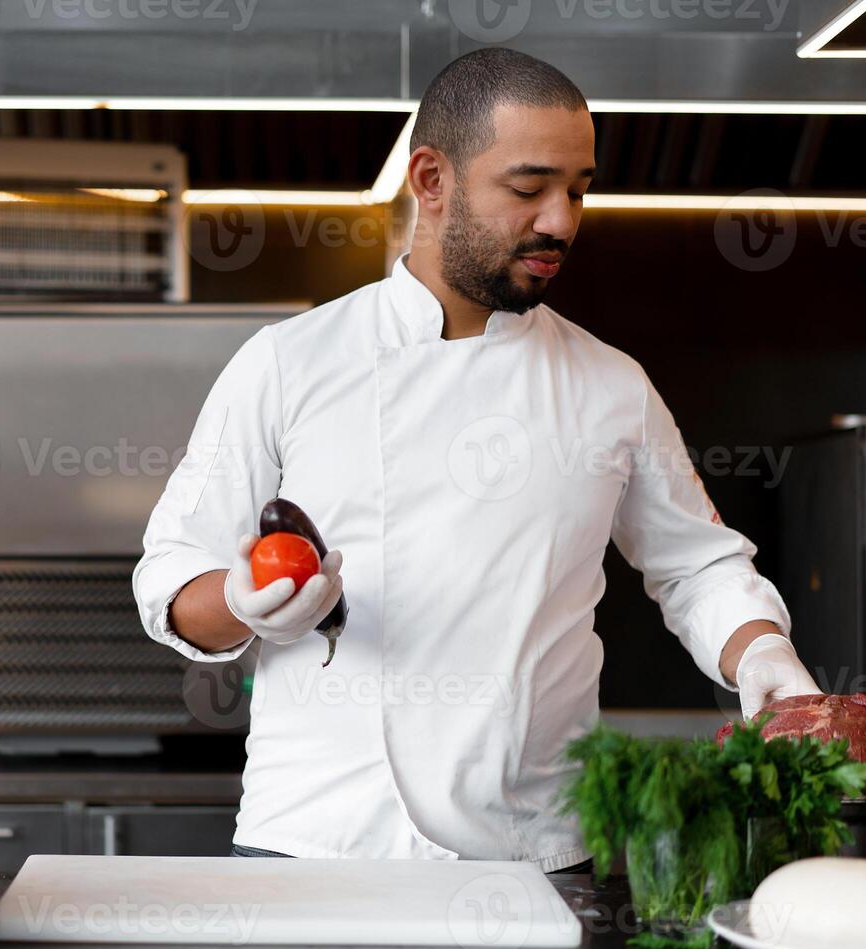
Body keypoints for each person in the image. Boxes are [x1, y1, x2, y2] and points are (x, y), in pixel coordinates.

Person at [133, 48, 820, 869]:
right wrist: (245, 603)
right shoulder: (288, 362)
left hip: (531, 852)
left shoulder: (611, 385)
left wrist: (762, 651)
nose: (562, 220)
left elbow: (697, 567)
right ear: (431, 180)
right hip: (316, 845)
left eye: (578, 190)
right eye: (529, 189)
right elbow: (171, 580)